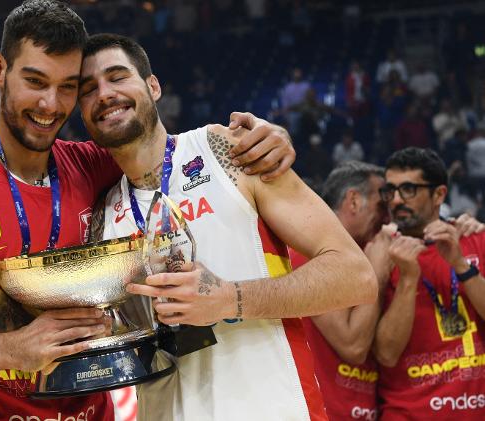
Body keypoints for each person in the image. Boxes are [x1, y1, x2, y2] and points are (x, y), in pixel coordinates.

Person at [0, 1, 296, 420]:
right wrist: (8, 350)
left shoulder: (94, 165)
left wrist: (257, 136)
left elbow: (164, 148)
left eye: (67, 88)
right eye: (36, 82)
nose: (50, 105)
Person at [78, 33, 376, 420]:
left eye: (117, 77)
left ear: (153, 86)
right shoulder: (102, 213)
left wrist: (229, 299)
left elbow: (355, 276)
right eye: (88, 89)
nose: (104, 93)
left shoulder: (226, 150)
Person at [373, 147, 485, 419]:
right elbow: (386, 355)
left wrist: (460, 264)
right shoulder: (379, 253)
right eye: (391, 191)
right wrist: (409, 278)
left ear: (439, 194)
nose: (397, 200)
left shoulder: (476, 240)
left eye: (409, 189)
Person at [293, 161, 391, 420]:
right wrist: (378, 274)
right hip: (324, 412)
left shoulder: (367, 253)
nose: (387, 219)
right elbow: (353, 346)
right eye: (381, 206)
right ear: (354, 201)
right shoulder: (310, 253)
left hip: (365, 408)